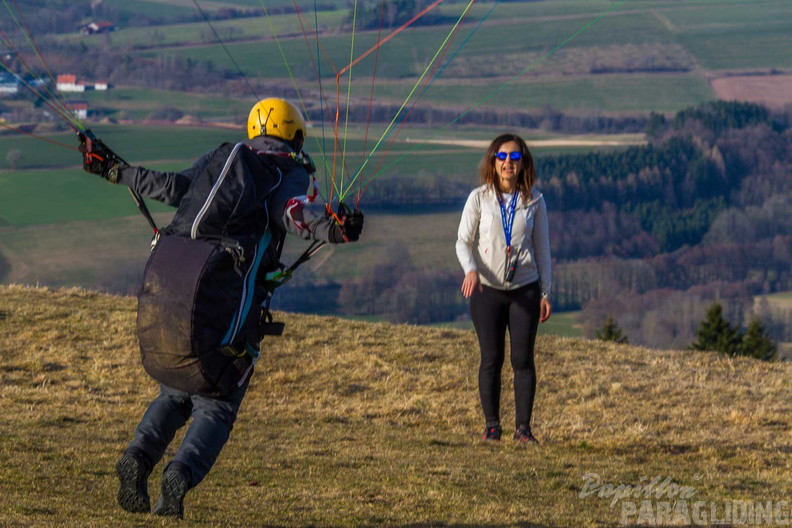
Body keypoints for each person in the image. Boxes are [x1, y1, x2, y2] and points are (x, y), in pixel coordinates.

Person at [79, 98, 364, 518]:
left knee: (176, 391)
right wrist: (336, 228)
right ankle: (180, 474)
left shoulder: (222, 158)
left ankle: (138, 457)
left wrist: (115, 170)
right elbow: (292, 213)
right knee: (218, 400)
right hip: (225, 310)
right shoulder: (287, 171)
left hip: (173, 291)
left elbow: (171, 187)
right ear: (296, 136)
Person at [455, 133, 552, 444]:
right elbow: (463, 241)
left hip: (525, 289)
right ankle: (492, 426)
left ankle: (523, 429)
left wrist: (546, 293)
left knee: (523, 360)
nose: (508, 162)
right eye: (501, 156)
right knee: (491, 358)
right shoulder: (479, 198)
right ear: (492, 162)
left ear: (523, 162)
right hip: (487, 290)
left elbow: (543, 250)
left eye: (514, 157)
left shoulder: (535, 200)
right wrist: (470, 269)